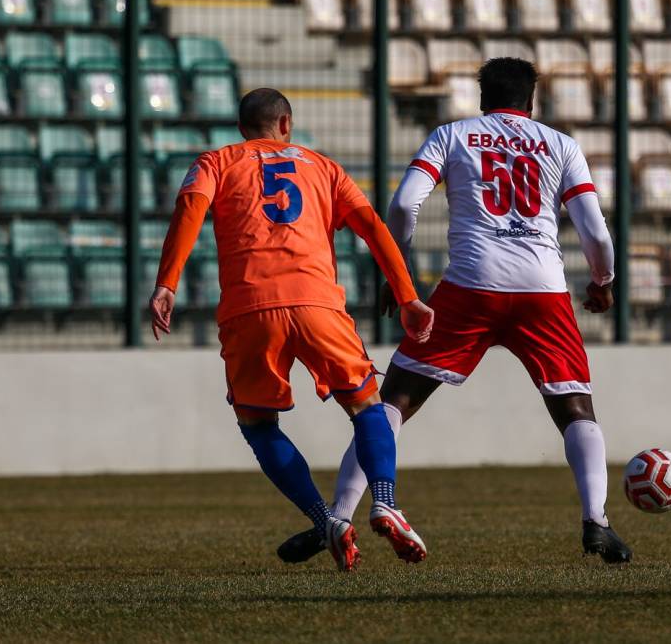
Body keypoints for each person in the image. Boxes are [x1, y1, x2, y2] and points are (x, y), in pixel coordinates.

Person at [280, 58, 633, 564]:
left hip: (471, 283)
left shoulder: (453, 135)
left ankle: (338, 516)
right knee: (576, 408)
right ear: (531, 102)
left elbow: (403, 206)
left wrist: (397, 274)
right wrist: (602, 283)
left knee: (393, 401)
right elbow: (595, 231)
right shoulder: (561, 144)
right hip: (544, 289)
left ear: (482, 98)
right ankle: (596, 520)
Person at [148, 88, 435, 572]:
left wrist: (166, 283)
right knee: (367, 407)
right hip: (318, 304)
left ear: (243, 129)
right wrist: (406, 295)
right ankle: (385, 501)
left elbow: (189, 213)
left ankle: (326, 519)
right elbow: (372, 227)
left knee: (258, 425)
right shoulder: (323, 166)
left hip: (249, 309)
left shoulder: (215, 162)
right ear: (286, 124)